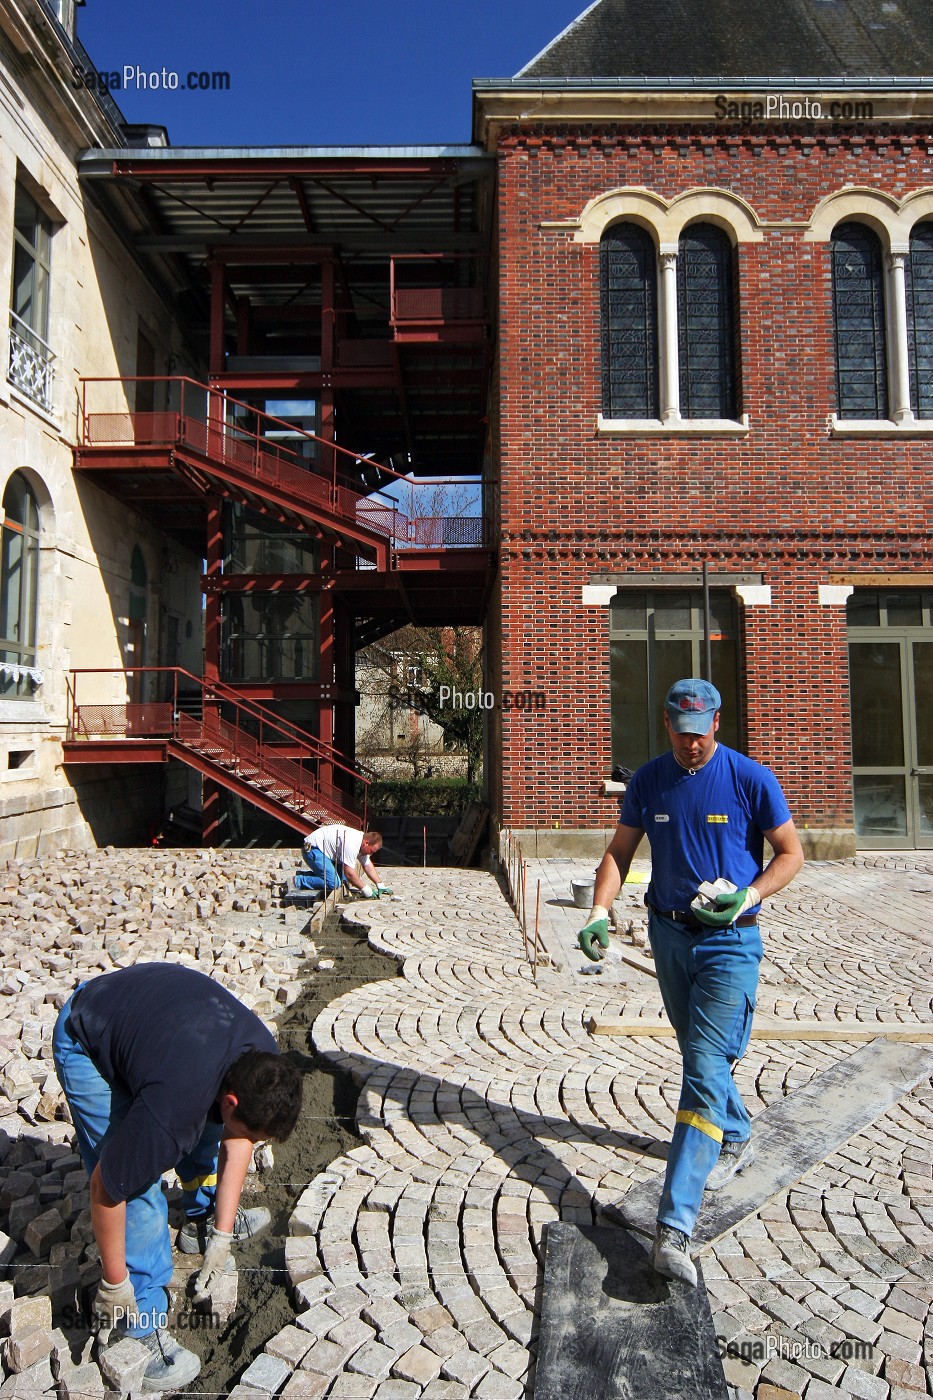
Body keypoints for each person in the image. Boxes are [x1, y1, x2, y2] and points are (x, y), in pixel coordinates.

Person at [579, 679, 803, 1286]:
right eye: (681, 735)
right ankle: (736, 1132)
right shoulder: (650, 779)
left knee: (702, 1066)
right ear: (667, 724)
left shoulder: (750, 778)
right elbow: (619, 853)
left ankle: (673, 1226)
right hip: (669, 936)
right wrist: (599, 910)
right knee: (696, 1052)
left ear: (717, 724)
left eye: (699, 735)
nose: (691, 746)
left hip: (731, 940)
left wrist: (748, 894)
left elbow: (790, 854)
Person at [53, 963, 303, 1391]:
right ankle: (140, 1318)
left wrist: (221, 1235)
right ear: (231, 1100)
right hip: (86, 1036)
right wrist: (114, 1284)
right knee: (140, 1189)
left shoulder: (261, 1059)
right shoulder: (175, 1109)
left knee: (211, 1129)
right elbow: (108, 1189)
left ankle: (200, 1217)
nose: (250, 1141)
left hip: (155, 1027)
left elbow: (238, 1138)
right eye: (250, 1131)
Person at [297, 823, 390, 898]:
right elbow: (349, 873)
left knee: (342, 879)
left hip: (324, 853)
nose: (370, 854)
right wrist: (365, 889)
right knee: (334, 883)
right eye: (371, 851)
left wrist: (380, 884)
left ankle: (310, 876)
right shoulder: (352, 843)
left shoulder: (361, 843)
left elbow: (367, 865)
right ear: (366, 843)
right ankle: (298, 881)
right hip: (313, 850)